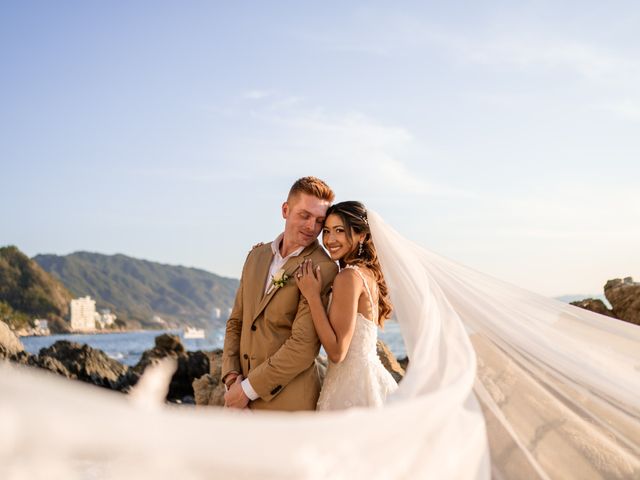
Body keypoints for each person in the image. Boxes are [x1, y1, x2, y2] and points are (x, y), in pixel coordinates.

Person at [221, 176, 339, 411]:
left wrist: (247, 390)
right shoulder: (256, 256)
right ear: (286, 210)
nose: (310, 227)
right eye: (304, 215)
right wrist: (232, 377)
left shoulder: (323, 268)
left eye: (318, 221)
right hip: (239, 399)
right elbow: (237, 321)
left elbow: (303, 346)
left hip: (288, 405)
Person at [296, 201, 398, 410]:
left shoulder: (348, 277)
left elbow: (337, 352)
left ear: (362, 235)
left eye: (339, 231)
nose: (330, 240)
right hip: (371, 380)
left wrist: (312, 296)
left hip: (352, 390)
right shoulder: (367, 274)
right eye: (326, 231)